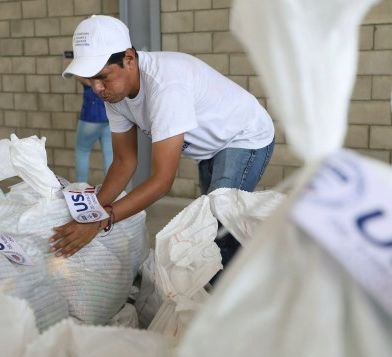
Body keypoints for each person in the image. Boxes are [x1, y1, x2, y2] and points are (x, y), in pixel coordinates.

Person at [51, 15, 275, 261]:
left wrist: (102, 221)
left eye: (102, 77)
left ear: (128, 59)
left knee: (218, 225)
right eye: (89, 79)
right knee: (215, 227)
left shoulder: (166, 86)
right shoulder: (114, 94)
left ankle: (242, 289)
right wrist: (91, 213)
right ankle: (232, 283)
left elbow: (161, 182)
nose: (96, 88)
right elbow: (124, 162)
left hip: (244, 136)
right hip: (209, 150)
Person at [74, 80, 112, 183]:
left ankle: (81, 186)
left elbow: (85, 79)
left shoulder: (88, 72)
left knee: (82, 151)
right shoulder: (106, 70)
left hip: (90, 116)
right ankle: (112, 189)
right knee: (109, 154)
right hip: (108, 116)